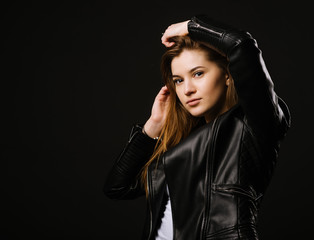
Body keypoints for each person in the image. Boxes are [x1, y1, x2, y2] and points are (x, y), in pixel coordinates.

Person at [103, 15, 291, 240]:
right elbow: (117, 187)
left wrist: (189, 27)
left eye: (198, 73)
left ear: (228, 75)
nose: (187, 89)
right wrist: (152, 127)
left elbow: (240, 44)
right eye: (179, 80)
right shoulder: (183, 143)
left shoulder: (252, 123)